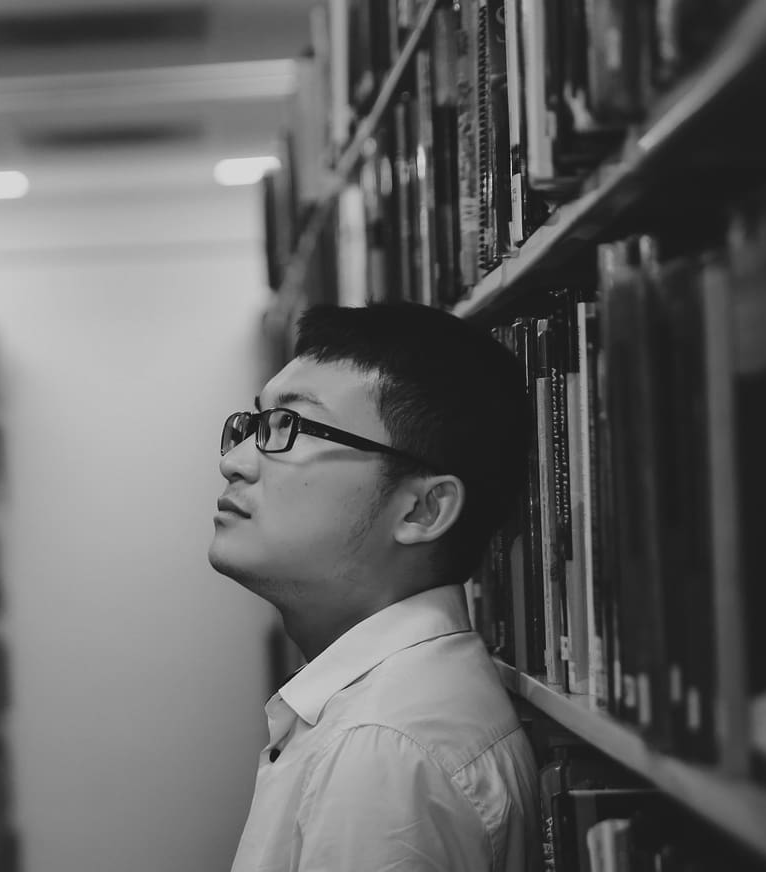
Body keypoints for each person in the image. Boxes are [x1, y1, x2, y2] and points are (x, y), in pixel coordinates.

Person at [211, 303, 537, 872]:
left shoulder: (382, 749)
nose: (235, 463)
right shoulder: (386, 713)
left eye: (290, 428)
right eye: (256, 424)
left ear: (422, 509)